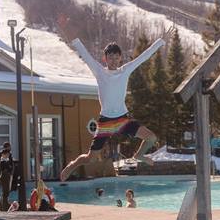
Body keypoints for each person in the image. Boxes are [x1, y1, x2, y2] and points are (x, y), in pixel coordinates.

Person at [60, 38, 165, 181]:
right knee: (91, 158)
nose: (114, 60)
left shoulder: (125, 70)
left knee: (151, 138)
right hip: (106, 122)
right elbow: (86, 57)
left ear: (120, 58)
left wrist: (160, 42)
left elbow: (144, 57)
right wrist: (76, 42)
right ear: (105, 59)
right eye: (111, 57)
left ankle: (139, 155)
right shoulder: (99, 72)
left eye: (117, 57)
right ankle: (72, 165)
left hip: (123, 119)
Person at [0, 142, 13, 211]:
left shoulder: (2, 155)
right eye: (9, 147)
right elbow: (6, 165)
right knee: (6, 192)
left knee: (4, 191)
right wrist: (9, 167)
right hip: (5, 175)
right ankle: (5, 206)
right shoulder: (4, 155)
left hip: (3, 174)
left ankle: (2, 206)